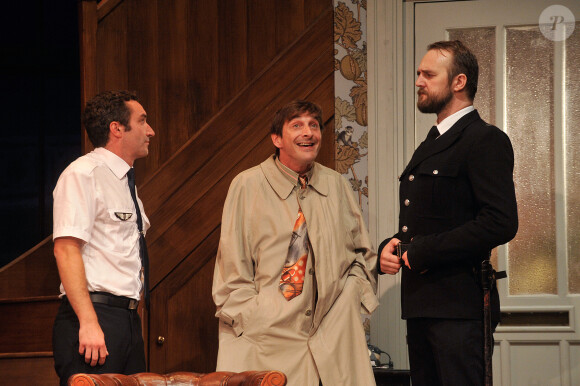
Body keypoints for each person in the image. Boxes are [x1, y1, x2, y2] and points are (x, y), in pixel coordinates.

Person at [378, 40, 518, 385]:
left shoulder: (484, 139)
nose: (418, 81)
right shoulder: (433, 141)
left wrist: (422, 251)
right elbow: (430, 217)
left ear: (459, 81)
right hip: (423, 304)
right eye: (418, 73)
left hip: (460, 306)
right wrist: (393, 245)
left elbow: (500, 222)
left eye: (428, 74)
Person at [212, 100, 378, 386]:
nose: (309, 132)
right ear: (277, 139)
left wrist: (350, 298)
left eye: (314, 125)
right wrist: (256, 315)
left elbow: (361, 254)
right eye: (297, 125)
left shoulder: (336, 184)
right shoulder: (248, 185)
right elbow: (232, 266)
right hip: (266, 339)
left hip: (332, 337)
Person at [52, 90, 155, 385]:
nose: (150, 131)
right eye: (142, 121)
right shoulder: (84, 174)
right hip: (96, 315)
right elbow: (66, 249)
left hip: (126, 319)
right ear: (117, 128)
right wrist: (88, 322)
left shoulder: (124, 182)